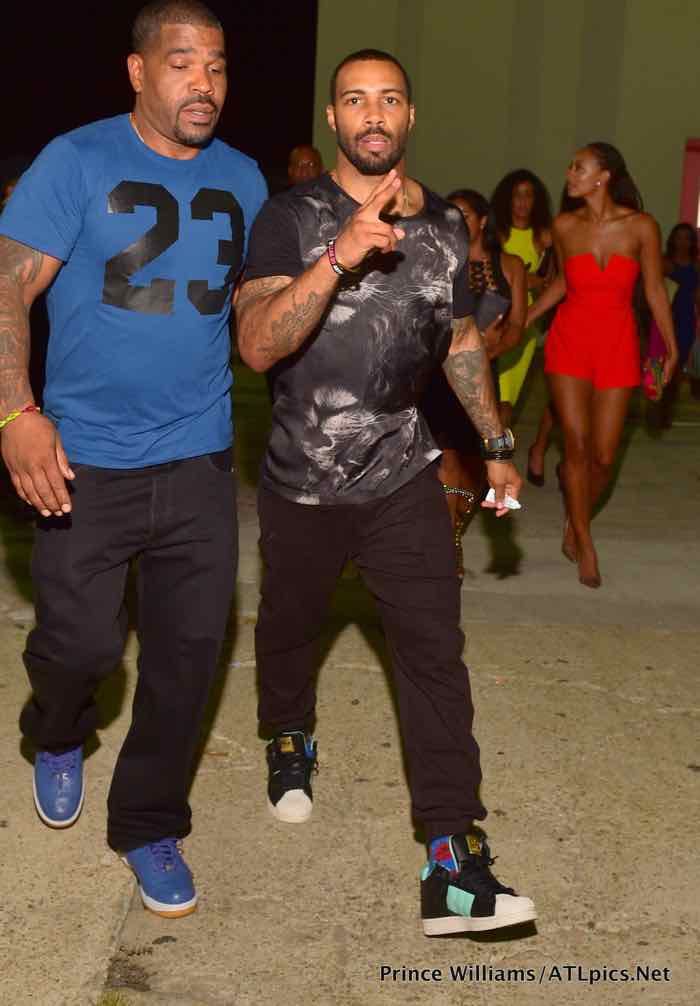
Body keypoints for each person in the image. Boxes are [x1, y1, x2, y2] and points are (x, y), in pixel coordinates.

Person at [236, 48, 535, 937]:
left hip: (404, 472)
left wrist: (495, 443)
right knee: (289, 628)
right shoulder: (289, 216)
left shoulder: (443, 227)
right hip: (301, 478)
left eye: (390, 99)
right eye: (356, 100)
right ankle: (289, 734)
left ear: (409, 117)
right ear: (333, 119)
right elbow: (257, 345)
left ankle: (452, 858)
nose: (373, 114)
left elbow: (458, 340)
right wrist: (339, 254)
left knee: (435, 654)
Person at [0, 0, 267, 918]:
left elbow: (259, 307)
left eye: (218, 65)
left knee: (188, 661)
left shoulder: (244, 177)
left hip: (198, 460)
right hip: (85, 461)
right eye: (183, 62)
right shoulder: (75, 160)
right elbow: (9, 285)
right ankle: (57, 729)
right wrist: (15, 412)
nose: (205, 83)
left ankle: (149, 821)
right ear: (138, 71)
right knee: (77, 648)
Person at [527, 142, 677, 588]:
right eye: (571, 166)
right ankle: (584, 539)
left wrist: (670, 348)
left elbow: (654, 290)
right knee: (575, 445)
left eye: (579, 167)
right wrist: (524, 318)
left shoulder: (642, 227)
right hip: (569, 341)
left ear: (603, 176)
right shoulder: (564, 226)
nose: (570, 174)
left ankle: (575, 517)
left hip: (618, 344)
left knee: (604, 457)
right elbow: (561, 283)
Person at [422, 189, 526, 574]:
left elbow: (517, 325)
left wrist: (487, 352)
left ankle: (457, 522)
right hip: (438, 375)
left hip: (482, 374)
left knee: (475, 465)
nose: (456, 219)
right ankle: (448, 540)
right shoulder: (437, 259)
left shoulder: (510, 265)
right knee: (447, 459)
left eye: (464, 214)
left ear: (483, 220)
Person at [490, 169, 553, 428]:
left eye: (529, 195)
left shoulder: (545, 237)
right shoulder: (496, 235)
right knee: (489, 396)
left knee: (507, 400)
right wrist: (527, 278)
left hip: (526, 323)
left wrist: (538, 283)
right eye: (517, 195)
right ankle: (489, 449)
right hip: (493, 320)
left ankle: (498, 450)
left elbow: (552, 284)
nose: (523, 201)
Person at [657, 223, 699, 426]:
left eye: (687, 238)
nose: (683, 241)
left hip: (686, 319)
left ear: (692, 242)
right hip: (664, 318)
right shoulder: (663, 262)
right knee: (659, 363)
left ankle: (667, 406)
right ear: (672, 239)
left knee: (677, 363)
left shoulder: (696, 265)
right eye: (679, 237)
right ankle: (659, 405)